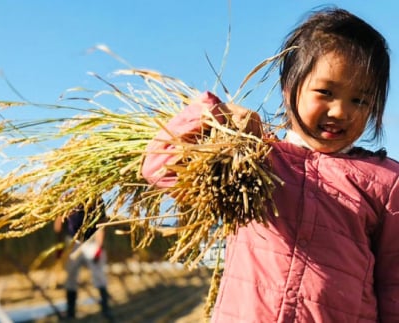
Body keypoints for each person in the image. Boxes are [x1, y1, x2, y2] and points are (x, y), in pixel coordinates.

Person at [141, 6, 399, 322]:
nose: (340, 111)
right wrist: (216, 118)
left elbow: (393, 283)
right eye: (326, 92)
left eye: (359, 100)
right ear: (289, 88)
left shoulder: (384, 181)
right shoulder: (254, 159)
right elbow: (160, 167)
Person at [53, 194, 113, 321]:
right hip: (73, 242)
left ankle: (106, 310)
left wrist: (98, 247)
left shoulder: (96, 198)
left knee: (98, 275)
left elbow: (101, 223)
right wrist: (60, 246)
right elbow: (59, 221)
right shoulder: (66, 198)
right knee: (71, 276)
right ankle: (70, 312)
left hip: (90, 240)